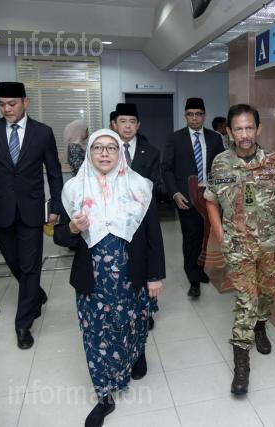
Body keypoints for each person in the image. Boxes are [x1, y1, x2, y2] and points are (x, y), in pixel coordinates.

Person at [53, 129, 165, 427]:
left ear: (120, 154)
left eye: (111, 148)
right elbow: (60, 236)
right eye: (98, 148)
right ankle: (104, 396)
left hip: (132, 273)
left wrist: (155, 276)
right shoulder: (74, 190)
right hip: (92, 277)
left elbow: (153, 236)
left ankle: (137, 353)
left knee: (134, 322)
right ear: (89, 152)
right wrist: (73, 229)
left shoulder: (140, 187)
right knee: (96, 334)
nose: (104, 153)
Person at [204, 104, 275, 395]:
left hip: (271, 244)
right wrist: (221, 236)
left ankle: (261, 325)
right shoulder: (220, 163)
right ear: (229, 132)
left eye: (249, 128)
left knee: (265, 292)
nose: (244, 134)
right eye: (238, 129)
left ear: (258, 129)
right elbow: (211, 200)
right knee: (246, 301)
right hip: (238, 246)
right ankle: (241, 365)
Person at [0, 82, 63, 349]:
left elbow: (54, 172)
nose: (6, 109)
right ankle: (35, 294)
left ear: (26, 102)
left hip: (31, 211)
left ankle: (23, 324)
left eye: (12, 103)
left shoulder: (43, 133)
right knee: (14, 262)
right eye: (1, 104)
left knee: (30, 265)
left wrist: (56, 206)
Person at [162, 97, 224, 298]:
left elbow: (221, 167)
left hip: (210, 197)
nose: (194, 118)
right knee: (191, 237)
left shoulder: (215, 138)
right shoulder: (175, 138)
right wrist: (175, 193)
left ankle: (200, 268)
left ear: (204, 116)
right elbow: (166, 169)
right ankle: (194, 279)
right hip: (186, 196)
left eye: (198, 114)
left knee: (207, 236)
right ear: (185, 116)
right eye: (190, 114)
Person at [112, 102, 161, 329]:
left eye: (132, 122)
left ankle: (146, 309)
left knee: (144, 261)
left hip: (143, 216)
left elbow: (154, 183)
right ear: (114, 124)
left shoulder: (151, 151)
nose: (128, 126)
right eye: (123, 121)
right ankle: (122, 306)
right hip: (114, 216)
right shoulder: (106, 149)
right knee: (121, 264)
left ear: (138, 125)